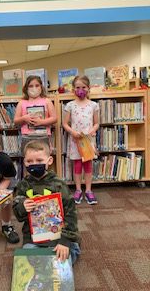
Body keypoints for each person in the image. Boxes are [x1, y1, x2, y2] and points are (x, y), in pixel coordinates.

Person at [12, 140, 80, 264]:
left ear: (49, 161)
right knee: (29, 263)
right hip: (33, 238)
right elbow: (18, 214)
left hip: (59, 235)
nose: (34, 164)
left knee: (62, 261)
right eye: (29, 161)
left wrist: (64, 241)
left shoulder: (59, 184)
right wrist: (23, 206)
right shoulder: (23, 185)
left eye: (39, 161)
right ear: (24, 162)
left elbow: (71, 214)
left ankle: (69, 247)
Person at [62, 76, 99, 205]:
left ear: (88, 89)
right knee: (77, 165)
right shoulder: (70, 105)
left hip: (88, 141)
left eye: (83, 87)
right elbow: (65, 123)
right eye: (78, 87)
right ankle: (78, 190)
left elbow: (97, 123)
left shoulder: (94, 105)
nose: (81, 90)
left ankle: (88, 190)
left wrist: (91, 131)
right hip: (75, 141)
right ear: (73, 89)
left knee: (88, 165)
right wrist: (73, 132)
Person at [14, 75, 57, 153]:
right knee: (29, 159)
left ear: (41, 87)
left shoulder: (47, 101)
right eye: (31, 86)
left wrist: (41, 122)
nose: (34, 88)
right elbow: (16, 120)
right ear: (26, 88)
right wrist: (24, 118)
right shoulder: (21, 102)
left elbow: (54, 118)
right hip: (27, 136)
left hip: (43, 135)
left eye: (37, 85)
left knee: (43, 159)